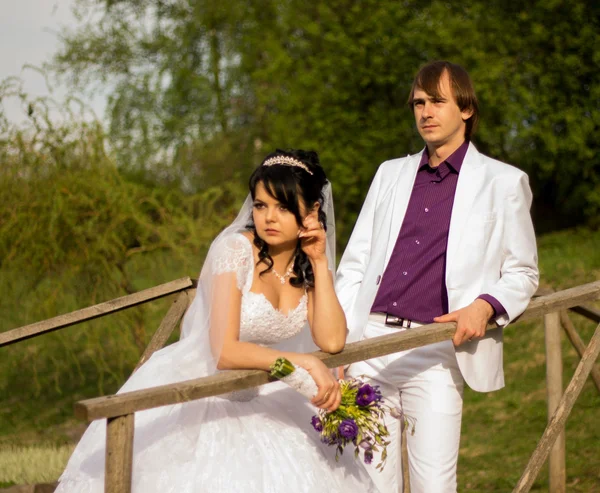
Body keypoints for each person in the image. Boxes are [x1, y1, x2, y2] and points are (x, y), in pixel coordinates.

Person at [56, 149, 378, 492]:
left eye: (283, 207)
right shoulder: (234, 251)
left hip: (261, 392)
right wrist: (301, 363)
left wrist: (317, 260)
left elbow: (332, 341)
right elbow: (224, 352)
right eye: (260, 205)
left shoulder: (304, 263)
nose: (269, 217)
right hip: (205, 392)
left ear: (312, 211)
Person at [335, 61, 539, 492]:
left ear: (465, 108)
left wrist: (487, 306)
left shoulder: (503, 182)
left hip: (436, 351)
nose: (426, 112)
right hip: (369, 347)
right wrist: (343, 345)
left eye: (438, 101)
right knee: (366, 484)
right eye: (419, 103)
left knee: (435, 485)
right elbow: (354, 264)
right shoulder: (390, 173)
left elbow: (523, 272)